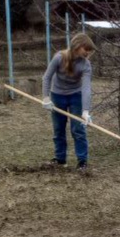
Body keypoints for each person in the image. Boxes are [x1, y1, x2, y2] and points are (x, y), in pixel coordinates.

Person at [42, 33, 95, 172]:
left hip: (75, 96)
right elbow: (47, 77)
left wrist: (85, 111)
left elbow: (86, 88)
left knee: (78, 129)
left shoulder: (85, 64)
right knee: (58, 129)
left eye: (90, 50)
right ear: (77, 46)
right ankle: (60, 159)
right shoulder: (59, 57)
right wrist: (46, 98)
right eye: (86, 49)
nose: (88, 52)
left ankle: (82, 161)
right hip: (57, 95)